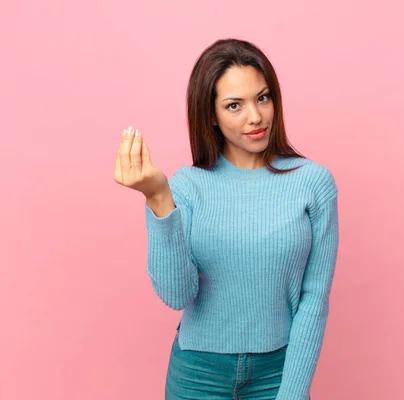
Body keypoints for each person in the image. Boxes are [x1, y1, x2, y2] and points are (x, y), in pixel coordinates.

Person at [114, 38, 339, 400]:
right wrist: (158, 198)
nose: (255, 117)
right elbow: (177, 295)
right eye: (234, 105)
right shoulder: (187, 186)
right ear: (211, 116)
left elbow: (314, 299)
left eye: (262, 98)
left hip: (279, 374)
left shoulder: (312, 183)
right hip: (197, 376)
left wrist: (293, 393)